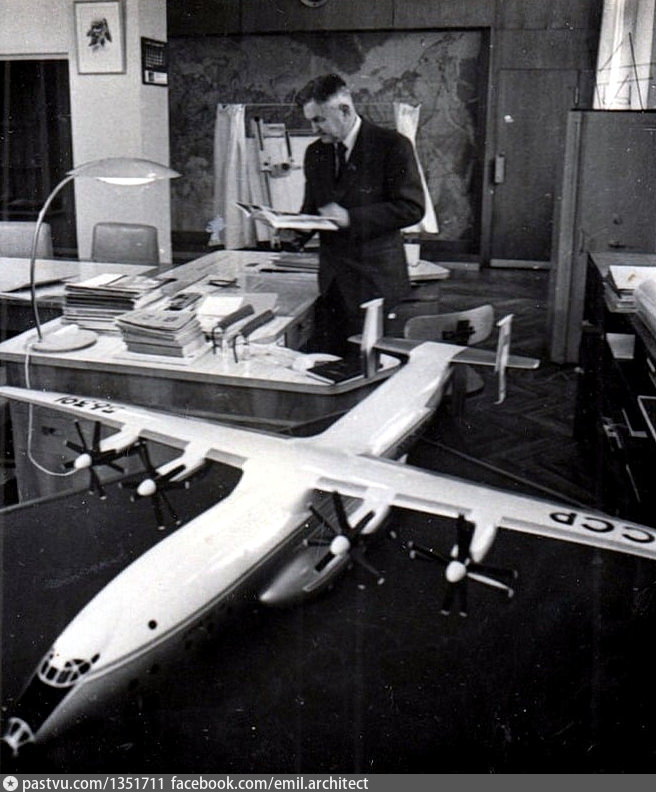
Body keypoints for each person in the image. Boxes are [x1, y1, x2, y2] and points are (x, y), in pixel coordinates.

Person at [285, 73, 425, 357]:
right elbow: (312, 208)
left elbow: (412, 207)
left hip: (375, 282)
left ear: (345, 110)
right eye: (311, 121)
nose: (314, 129)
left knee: (375, 366)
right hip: (331, 283)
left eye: (319, 120)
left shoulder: (392, 145)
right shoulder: (316, 153)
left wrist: (352, 218)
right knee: (330, 363)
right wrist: (295, 231)